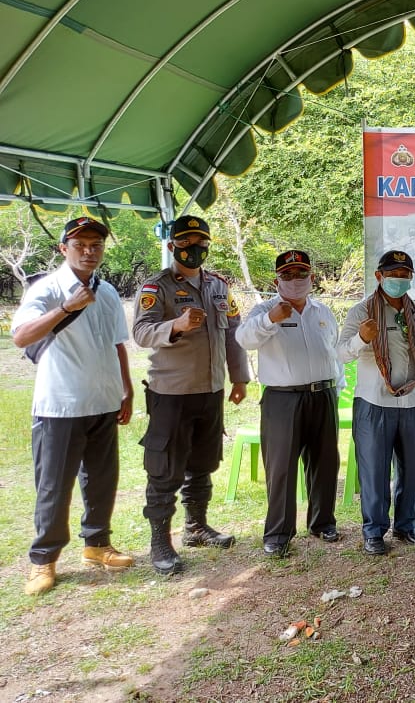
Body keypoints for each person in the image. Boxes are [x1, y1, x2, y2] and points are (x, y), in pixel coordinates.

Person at [12, 217, 135, 595]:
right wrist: (66, 308)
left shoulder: (110, 292)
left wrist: (126, 389)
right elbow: (21, 336)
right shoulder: (46, 289)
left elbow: (117, 344)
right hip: (60, 405)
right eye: (80, 243)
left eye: (96, 244)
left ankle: (97, 545)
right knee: (54, 486)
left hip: (102, 401)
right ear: (64, 248)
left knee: (101, 479)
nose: (88, 250)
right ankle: (43, 560)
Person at [133, 215, 250, 574]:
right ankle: (160, 542)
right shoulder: (157, 288)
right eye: (185, 243)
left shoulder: (218, 286)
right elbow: (140, 332)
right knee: (166, 468)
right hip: (172, 392)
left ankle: (196, 527)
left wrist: (239, 377)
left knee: (202, 463)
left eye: (200, 243)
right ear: (172, 246)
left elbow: (233, 331)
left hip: (210, 390)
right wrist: (176, 326)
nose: (193, 249)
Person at [237, 250, 342, 558]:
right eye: (288, 275)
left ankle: (323, 522)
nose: (295, 281)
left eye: (301, 274)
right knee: (281, 467)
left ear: (311, 277)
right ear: (276, 280)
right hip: (283, 399)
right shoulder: (264, 310)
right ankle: (279, 533)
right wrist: (271, 319)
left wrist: (337, 386)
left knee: (325, 462)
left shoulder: (322, 311)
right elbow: (243, 339)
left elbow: (332, 349)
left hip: (323, 394)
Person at [342, 249, 415, 554]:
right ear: (379, 276)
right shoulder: (362, 312)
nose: (398, 279)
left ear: (410, 277)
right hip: (374, 403)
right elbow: (339, 353)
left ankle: (406, 525)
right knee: (374, 470)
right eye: (393, 274)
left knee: (411, 469)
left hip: (411, 401)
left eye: (404, 274)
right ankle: (374, 532)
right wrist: (361, 338)